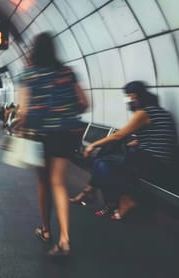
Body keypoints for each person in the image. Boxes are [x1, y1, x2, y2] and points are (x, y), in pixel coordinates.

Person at [16, 32, 88, 257]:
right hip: (65, 134)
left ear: (34, 51)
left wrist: (19, 122)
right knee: (59, 183)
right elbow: (84, 103)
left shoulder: (29, 75)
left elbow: (24, 112)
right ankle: (65, 238)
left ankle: (46, 230)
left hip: (39, 135)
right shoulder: (67, 72)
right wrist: (64, 114)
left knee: (43, 183)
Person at [82, 81, 178, 220]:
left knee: (102, 162)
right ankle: (112, 200)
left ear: (134, 96)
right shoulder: (161, 112)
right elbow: (156, 138)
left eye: (127, 96)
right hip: (159, 160)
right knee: (102, 161)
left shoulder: (144, 113)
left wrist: (93, 145)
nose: (127, 100)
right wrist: (134, 143)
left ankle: (116, 200)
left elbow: (119, 135)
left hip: (151, 161)